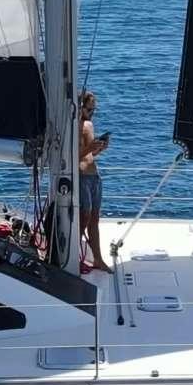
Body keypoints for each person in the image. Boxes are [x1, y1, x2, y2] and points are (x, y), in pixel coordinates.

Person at [78, 89, 110, 270]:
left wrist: (99, 148)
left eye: (94, 110)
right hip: (82, 176)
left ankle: (97, 258)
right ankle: (75, 255)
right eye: (89, 109)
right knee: (84, 217)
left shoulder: (89, 125)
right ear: (80, 107)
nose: (92, 113)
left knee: (94, 219)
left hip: (94, 176)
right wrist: (90, 148)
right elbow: (71, 155)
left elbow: (90, 154)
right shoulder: (73, 126)